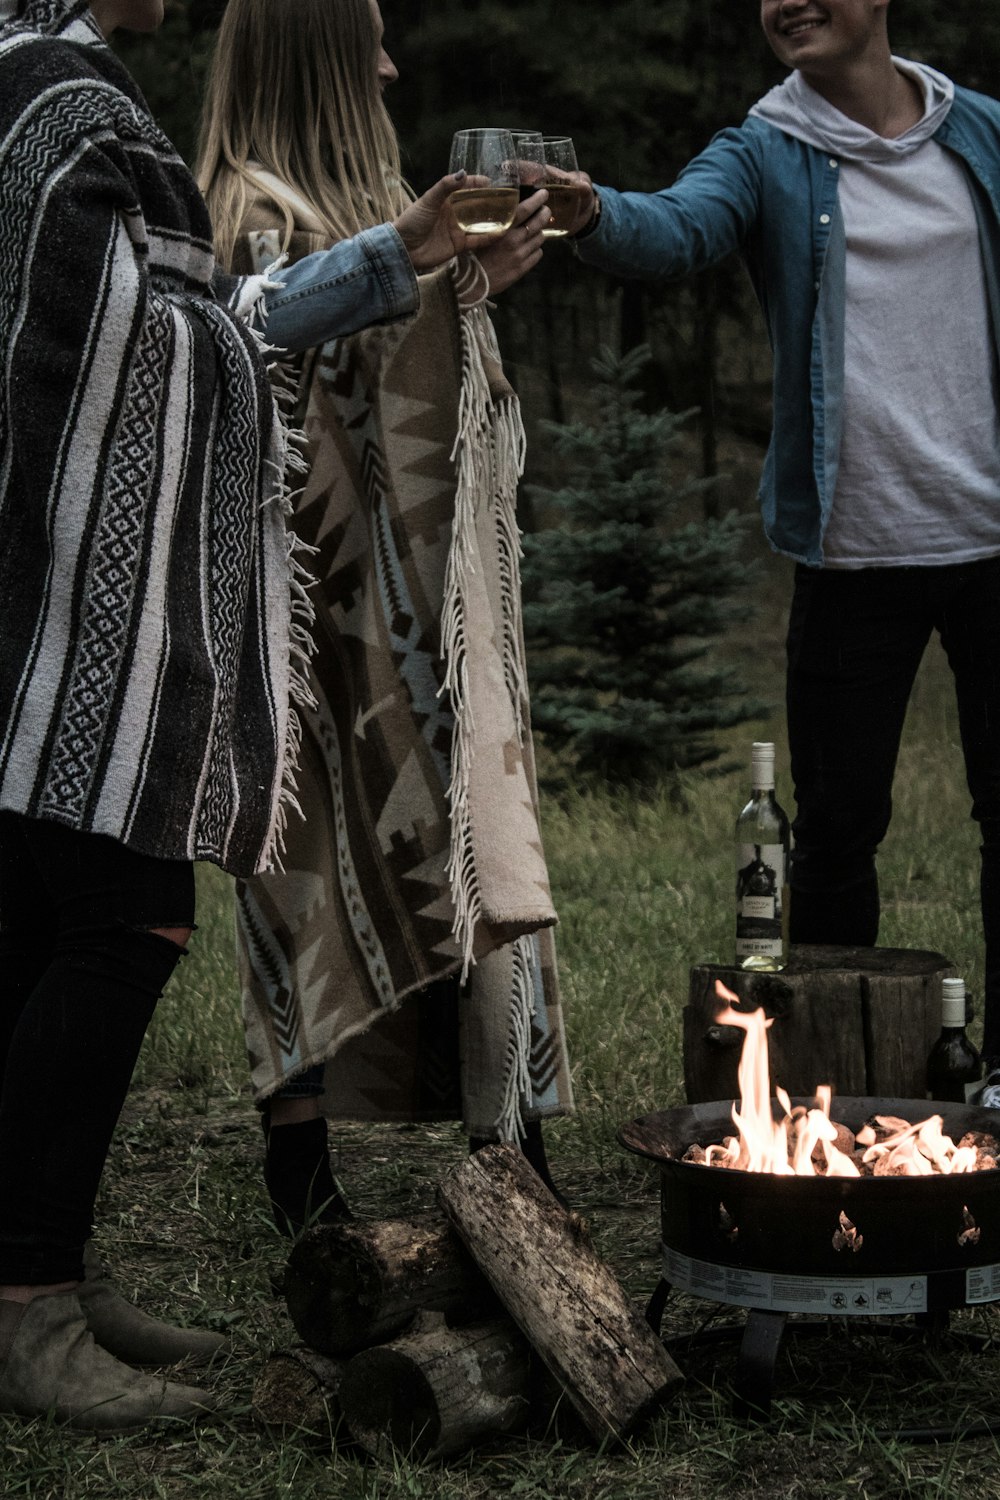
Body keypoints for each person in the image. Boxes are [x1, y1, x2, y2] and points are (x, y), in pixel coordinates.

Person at [0, 0, 512, 1433]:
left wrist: (392, 264)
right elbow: (129, 366)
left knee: (44, 923)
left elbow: (168, 331)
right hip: (84, 594)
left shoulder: (58, 83)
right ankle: (26, 1298)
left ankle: (43, 1268)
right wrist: (370, 275)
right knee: (119, 923)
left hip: (49, 579)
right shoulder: (60, 98)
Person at [562, 0, 1000, 1092]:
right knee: (839, 834)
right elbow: (673, 230)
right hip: (853, 549)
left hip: (993, 538)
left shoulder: (980, 130)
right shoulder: (765, 150)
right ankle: (842, 1085)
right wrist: (585, 211)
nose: (786, 5)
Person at [197, 0, 574, 1235]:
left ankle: (505, 1138)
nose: (392, 63)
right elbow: (268, 375)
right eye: (368, 43)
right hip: (308, 618)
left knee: (474, 846)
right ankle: (301, 1174)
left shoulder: (377, 211)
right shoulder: (248, 212)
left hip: (419, 613)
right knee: (305, 879)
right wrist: (431, 287)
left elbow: (402, 388)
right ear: (317, 57)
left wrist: (472, 289)